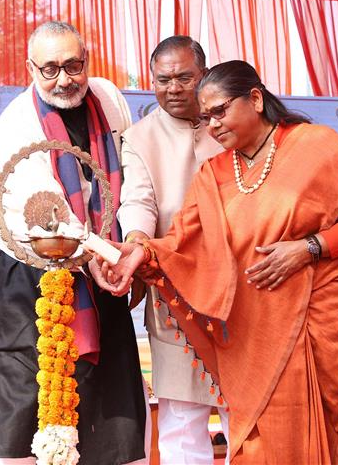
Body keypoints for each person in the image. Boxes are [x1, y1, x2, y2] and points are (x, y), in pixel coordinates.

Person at [94, 60, 338, 463]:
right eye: (206, 118)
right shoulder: (214, 173)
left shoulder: (315, 145)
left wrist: (309, 247)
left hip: (337, 320)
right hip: (262, 329)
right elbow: (182, 243)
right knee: (266, 437)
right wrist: (140, 253)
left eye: (220, 111)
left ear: (255, 98)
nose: (213, 126)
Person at [0, 21, 148, 464]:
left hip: (101, 265)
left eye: (73, 65)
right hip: (31, 277)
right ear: (30, 68)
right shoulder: (18, 119)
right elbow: (47, 209)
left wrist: (130, 244)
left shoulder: (109, 99)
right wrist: (100, 255)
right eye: (50, 68)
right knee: (28, 408)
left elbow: (130, 176)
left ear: (87, 60)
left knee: (112, 409)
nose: (64, 79)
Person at [117, 36, 228, 464]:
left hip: (239, 289)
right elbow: (138, 201)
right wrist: (137, 242)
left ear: (204, 75)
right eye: (163, 79)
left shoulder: (229, 123)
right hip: (174, 287)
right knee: (183, 416)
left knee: (244, 407)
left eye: (185, 77)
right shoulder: (139, 138)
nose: (174, 88)